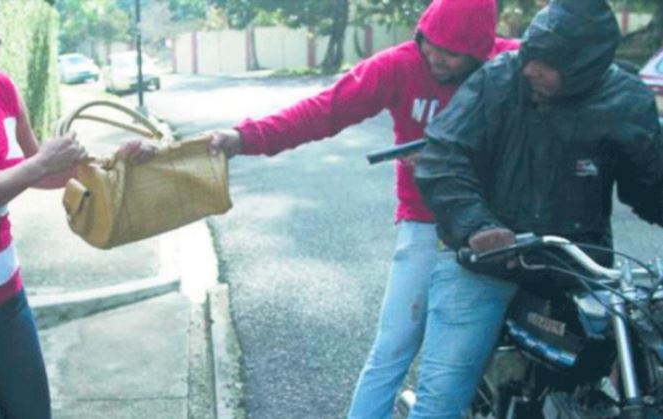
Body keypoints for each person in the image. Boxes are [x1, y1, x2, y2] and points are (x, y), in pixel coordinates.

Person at [209, 0, 518, 416]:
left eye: (450, 53)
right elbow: (326, 110)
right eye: (430, 44)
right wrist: (243, 138)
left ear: (480, 52)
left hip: (496, 224)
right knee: (392, 348)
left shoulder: (508, 63)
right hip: (425, 223)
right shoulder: (398, 66)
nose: (436, 58)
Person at [414, 0, 663, 416]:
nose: (531, 70)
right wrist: (478, 226)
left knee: (640, 344)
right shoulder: (498, 79)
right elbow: (445, 156)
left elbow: (651, 185)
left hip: (578, 264)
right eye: (532, 56)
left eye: (549, 64)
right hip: (489, 260)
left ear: (587, 65)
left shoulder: (625, 100)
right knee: (442, 399)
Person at [0, 1, 154, 418]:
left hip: (8, 303)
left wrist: (114, 161)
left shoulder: (0, 89)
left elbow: (40, 172)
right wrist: (38, 163)